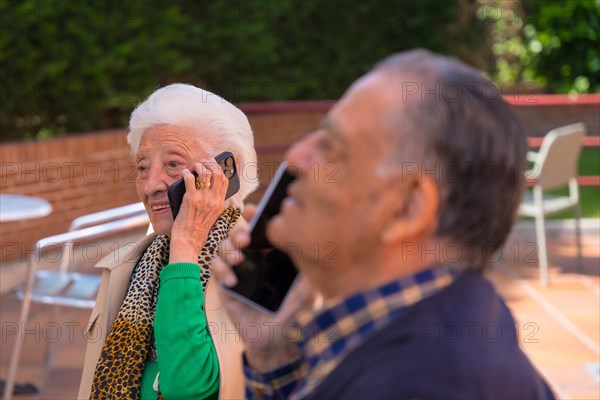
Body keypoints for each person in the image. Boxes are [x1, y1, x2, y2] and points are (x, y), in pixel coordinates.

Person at [211, 49, 556, 399]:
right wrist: (273, 359)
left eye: (331, 147)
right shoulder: (455, 336)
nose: (296, 156)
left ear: (407, 208)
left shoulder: (419, 385)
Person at [78, 83, 258, 399]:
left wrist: (186, 245)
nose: (150, 185)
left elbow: (186, 389)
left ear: (226, 173)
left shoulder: (250, 260)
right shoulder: (127, 268)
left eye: (173, 164)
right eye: (142, 167)